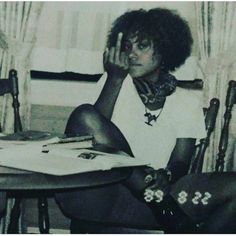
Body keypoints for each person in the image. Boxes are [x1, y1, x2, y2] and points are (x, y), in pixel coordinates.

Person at [56, 8, 236, 233]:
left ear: (165, 50)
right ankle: (163, 204)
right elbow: (88, 136)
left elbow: (181, 161)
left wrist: (165, 175)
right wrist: (114, 78)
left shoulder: (186, 102)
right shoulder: (112, 83)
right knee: (84, 114)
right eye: (127, 47)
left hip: (158, 196)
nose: (132, 54)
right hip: (100, 195)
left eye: (142, 46)